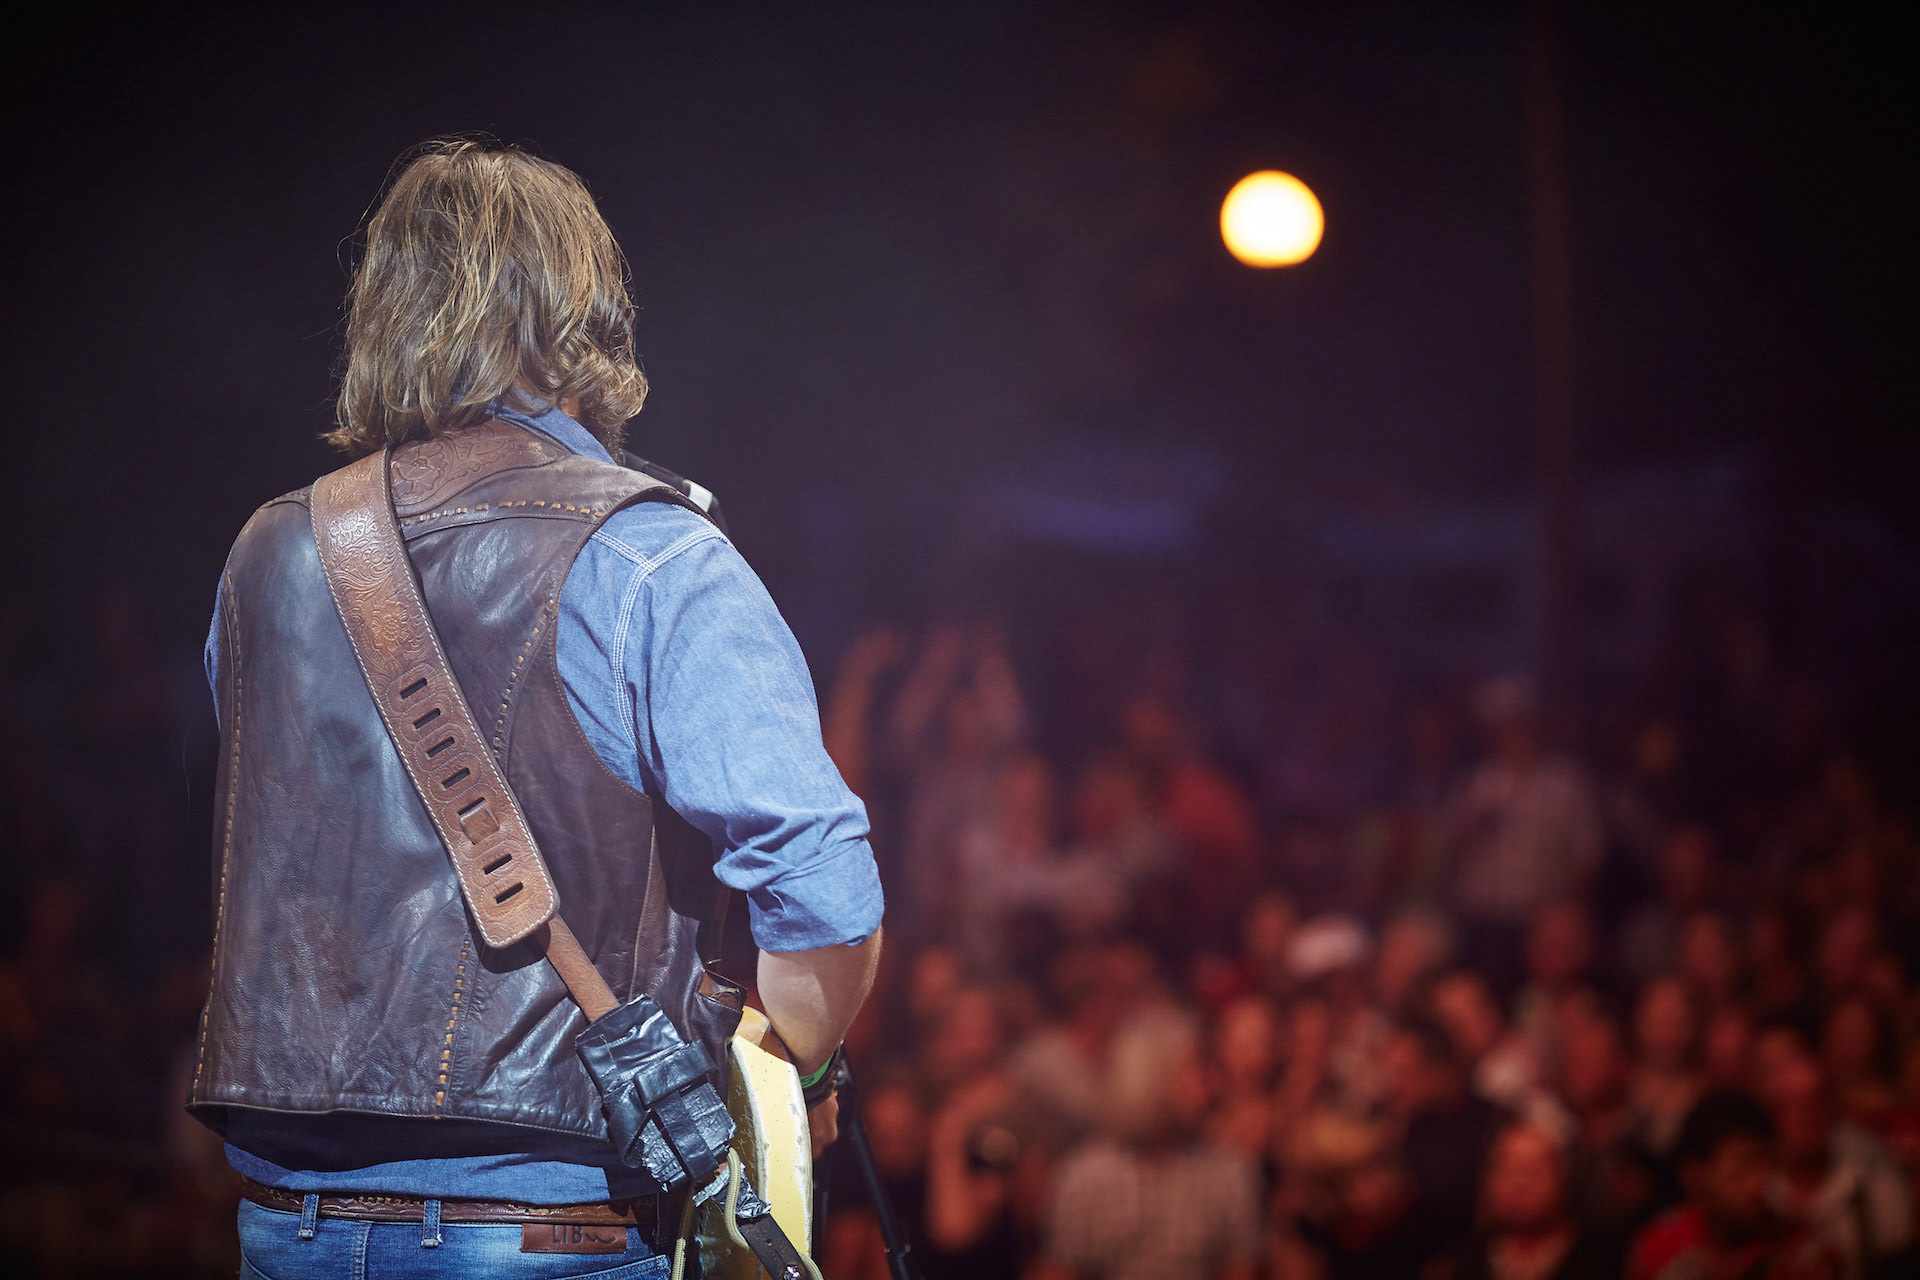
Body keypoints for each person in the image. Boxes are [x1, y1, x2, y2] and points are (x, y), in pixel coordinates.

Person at [188, 139, 884, 1277]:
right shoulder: (650, 552)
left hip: (286, 1212)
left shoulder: (268, 551)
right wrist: (789, 1080)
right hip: (550, 1221)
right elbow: (820, 874)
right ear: (584, 313)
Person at [1629, 1091, 1839, 1280]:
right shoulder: (1661, 1248)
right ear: (1694, 1176)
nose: (1758, 1184)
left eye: (1766, 1165)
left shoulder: (1801, 1256)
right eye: (1741, 1170)